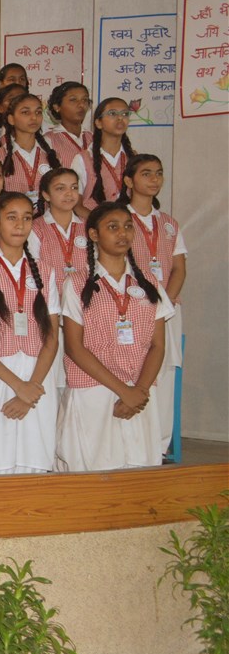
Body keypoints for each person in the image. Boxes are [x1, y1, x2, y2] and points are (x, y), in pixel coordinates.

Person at [57, 201, 172, 471]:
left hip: (140, 393)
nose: (123, 233)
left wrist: (139, 391)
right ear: (94, 235)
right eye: (113, 227)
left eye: (128, 227)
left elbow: (158, 345)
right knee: (94, 469)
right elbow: (74, 347)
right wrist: (124, 391)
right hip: (94, 390)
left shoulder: (149, 284)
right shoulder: (77, 283)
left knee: (140, 468)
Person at [0, 192, 59, 474]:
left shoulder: (46, 272)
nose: (20, 225)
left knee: (34, 459)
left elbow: (52, 337)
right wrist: (19, 386)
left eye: (27, 218)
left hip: (38, 378)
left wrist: (32, 386)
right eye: (11, 218)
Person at [121, 154, 185, 453]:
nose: (154, 179)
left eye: (158, 173)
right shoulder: (118, 218)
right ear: (129, 180)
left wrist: (164, 305)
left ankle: (158, 447)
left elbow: (179, 268)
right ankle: (132, 443)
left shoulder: (169, 223)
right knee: (134, 366)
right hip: (130, 308)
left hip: (166, 310)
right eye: (146, 173)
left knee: (165, 371)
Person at [0, 92, 60, 206]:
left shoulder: (51, 153)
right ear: (11, 119)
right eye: (26, 112)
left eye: (38, 112)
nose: (34, 117)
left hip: (47, 215)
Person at [72, 98, 136, 215]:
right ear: (98, 123)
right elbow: (76, 206)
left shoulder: (134, 157)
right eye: (112, 113)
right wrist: (101, 222)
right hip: (92, 222)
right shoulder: (83, 159)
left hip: (128, 223)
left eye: (125, 114)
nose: (120, 118)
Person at [44, 81, 92, 168]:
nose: (81, 105)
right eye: (73, 100)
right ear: (57, 107)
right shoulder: (49, 140)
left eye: (85, 100)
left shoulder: (94, 138)